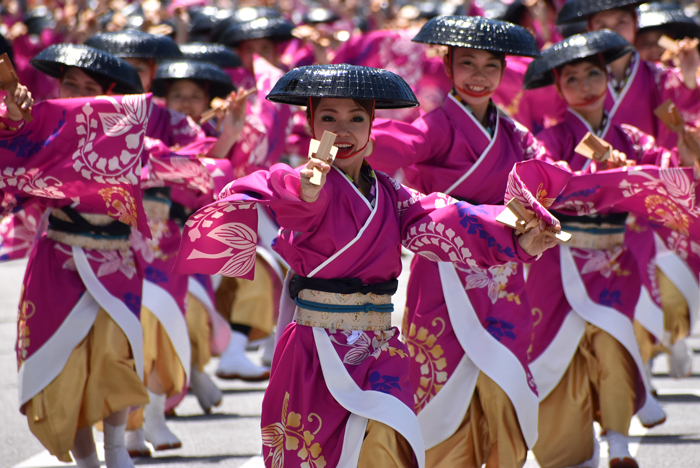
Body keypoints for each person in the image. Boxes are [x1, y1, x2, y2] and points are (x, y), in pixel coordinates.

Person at [173, 63, 558, 468]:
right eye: (328, 118)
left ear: (372, 125)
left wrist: (516, 235)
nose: (343, 129)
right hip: (317, 349)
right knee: (317, 455)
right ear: (308, 123)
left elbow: (444, 217)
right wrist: (302, 188)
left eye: (356, 118)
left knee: (390, 446)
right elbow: (288, 193)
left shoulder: (391, 195)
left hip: (379, 347)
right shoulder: (306, 186)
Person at [367, 16, 545, 467]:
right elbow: (399, 143)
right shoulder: (439, 124)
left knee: (505, 375)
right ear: (447, 66)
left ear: (504, 73)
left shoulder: (514, 134)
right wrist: (356, 142)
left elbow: (543, 173)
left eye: (490, 65)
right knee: (440, 378)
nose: (479, 75)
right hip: (444, 264)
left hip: (502, 269)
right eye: (467, 64)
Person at [522, 29, 699, 468]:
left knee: (614, 343)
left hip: (612, 259)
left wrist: (650, 162)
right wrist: (598, 174)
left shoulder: (630, 136)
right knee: (560, 355)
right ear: (559, 89)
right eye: (573, 79)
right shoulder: (551, 136)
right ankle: (576, 452)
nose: (585, 86)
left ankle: (619, 441)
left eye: (593, 75)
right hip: (559, 259)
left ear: (607, 78)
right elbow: (545, 179)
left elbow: (666, 169)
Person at [16, 42, 148, 468]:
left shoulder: (134, 136)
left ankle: (115, 448)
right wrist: (14, 125)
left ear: (108, 95)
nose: (73, 93)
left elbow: (181, 166)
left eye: (86, 87)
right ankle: (88, 458)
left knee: (114, 358)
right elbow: (13, 180)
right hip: (57, 260)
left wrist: (229, 139)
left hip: (116, 261)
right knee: (60, 366)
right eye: (68, 84)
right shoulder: (43, 132)